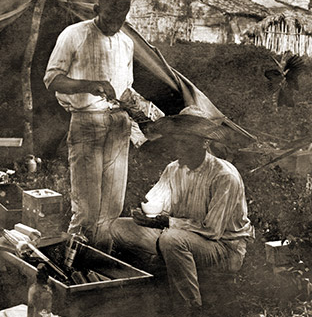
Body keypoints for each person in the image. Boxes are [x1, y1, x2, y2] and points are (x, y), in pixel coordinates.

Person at [109, 106, 254, 312]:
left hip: (223, 249)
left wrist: (164, 222)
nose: (178, 147)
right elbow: (155, 204)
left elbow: (212, 231)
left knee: (171, 240)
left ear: (204, 142)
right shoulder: (173, 169)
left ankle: (189, 308)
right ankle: (161, 272)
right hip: (183, 237)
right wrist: (144, 213)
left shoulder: (224, 176)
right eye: (176, 140)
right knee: (118, 227)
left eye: (185, 141)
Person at [43, 0, 136, 248]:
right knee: (86, 208)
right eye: (109, 18)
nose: (115, 24)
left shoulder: (127, 44)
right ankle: (74, 268)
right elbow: (52, 79)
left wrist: (140, 112)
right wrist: (88, 85)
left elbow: (125, 89)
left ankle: (99, 265)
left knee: (112, 208)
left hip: (119, 124)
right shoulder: (74, 35)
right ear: (96, 9)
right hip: (87, 123)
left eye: (121, 18)